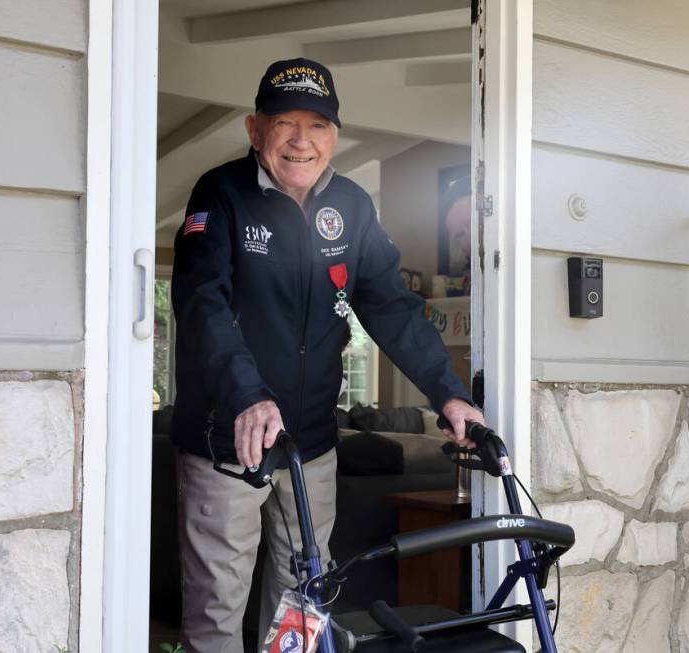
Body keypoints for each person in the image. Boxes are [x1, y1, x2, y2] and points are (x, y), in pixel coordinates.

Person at [170, 57, 485, 653]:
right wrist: (247, 395)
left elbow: (391, 306)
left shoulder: (352, 206)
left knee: (303, 602)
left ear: (334, 136)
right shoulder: (221, 194)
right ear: (253, 129)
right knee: (216, 610)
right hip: (225, 440)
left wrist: (449, 393)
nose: (300, 141)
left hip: (311, 442)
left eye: (316, 125)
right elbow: (201, 303)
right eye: (284, 122)